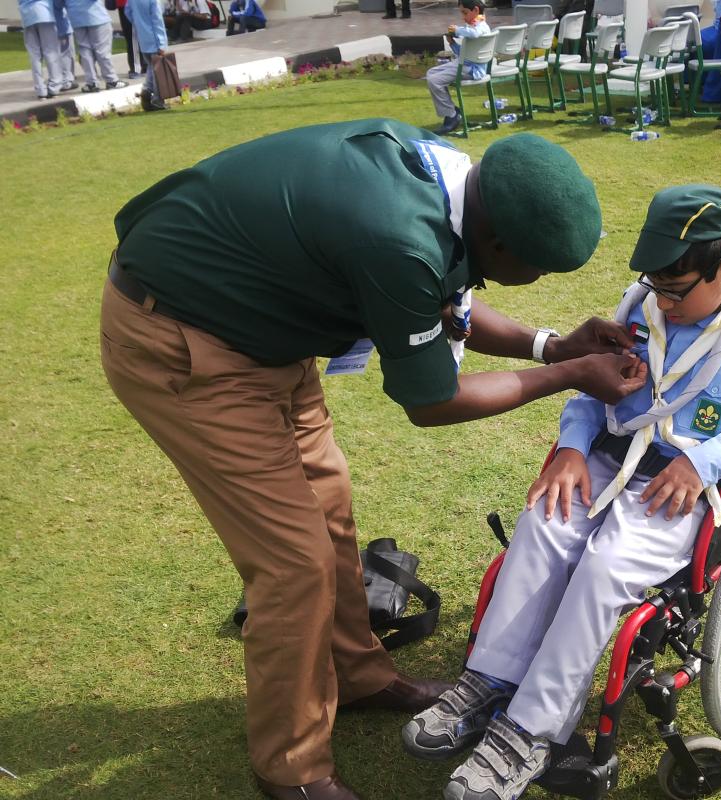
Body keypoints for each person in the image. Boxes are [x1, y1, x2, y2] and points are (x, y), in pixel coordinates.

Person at [99, 119, 646, 800]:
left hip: (266, 331)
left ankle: (358, 675)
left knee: (328, 505)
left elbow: (449, 308)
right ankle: (292, 770)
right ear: (496, 238)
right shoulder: (398, 237)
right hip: (187, 341)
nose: (531, 278)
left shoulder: (447, 186)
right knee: (293, 564)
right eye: (531, 265)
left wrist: (551, 348)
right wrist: (568, 377)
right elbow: (432, 400)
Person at [403, 184, 721, 800]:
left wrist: (705, 460)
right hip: (606, 458)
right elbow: (593, 389)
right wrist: (572, 444)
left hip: (682, 486)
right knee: (543, 523)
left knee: (605, 568)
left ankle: (533, 729)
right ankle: (491, 677)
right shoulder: (640, 306)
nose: (664, 303)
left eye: (676, 290)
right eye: (656, 287)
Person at [425, 0, 491, 135]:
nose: (463, 17)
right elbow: (465, 52)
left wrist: (457, 30)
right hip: (465, 64)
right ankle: (453, 110)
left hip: (472, 69)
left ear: (476, 11)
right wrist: (453, 43)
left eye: (465, 13)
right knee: (431, 73)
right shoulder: (474, 27)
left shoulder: (481, 27)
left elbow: (474, 34)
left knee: (434, 81)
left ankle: (451, 115)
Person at [66, 0, 126, 92]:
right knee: (102, 50)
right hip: (96, 16)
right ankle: (111, 80)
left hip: (75, 18)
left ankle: (91, 83)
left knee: (85, 51)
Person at [125, 0, 168, 111]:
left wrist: (138, 23)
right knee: (158, 72)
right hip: (154, 39)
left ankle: (147, 90)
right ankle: (158, 101)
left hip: (143, 38)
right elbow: (157, 21)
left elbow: (127, 11)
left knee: (151, 67)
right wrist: (162, 43)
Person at [18, 0, 62, 100]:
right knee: (50, 52)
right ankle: (54, 87)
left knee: (34, 55)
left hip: (27, 16)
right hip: (45, 14)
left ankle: (40, 90)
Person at [116, 0, 149, 78]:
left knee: (135, 37)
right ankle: (137, 67)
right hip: (128, 4)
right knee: (133, 38)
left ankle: (143, 66)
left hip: (131, 4)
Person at [52, 0, 78, 91]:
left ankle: (57, 79)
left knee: (54, 55)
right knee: (66, 54)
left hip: (51, 25)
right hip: (61, 24)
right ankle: (66, 81)